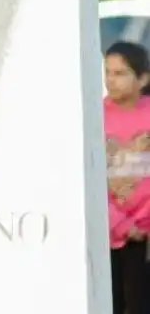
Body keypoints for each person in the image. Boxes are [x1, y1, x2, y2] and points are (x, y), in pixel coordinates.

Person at [105, 40, 150, 314]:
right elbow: (87, 180)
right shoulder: (92, 116)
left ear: (142, 78)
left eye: (120, 73)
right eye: (107, 72)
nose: (111, 80)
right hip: (107, 235)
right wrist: (120, 223)